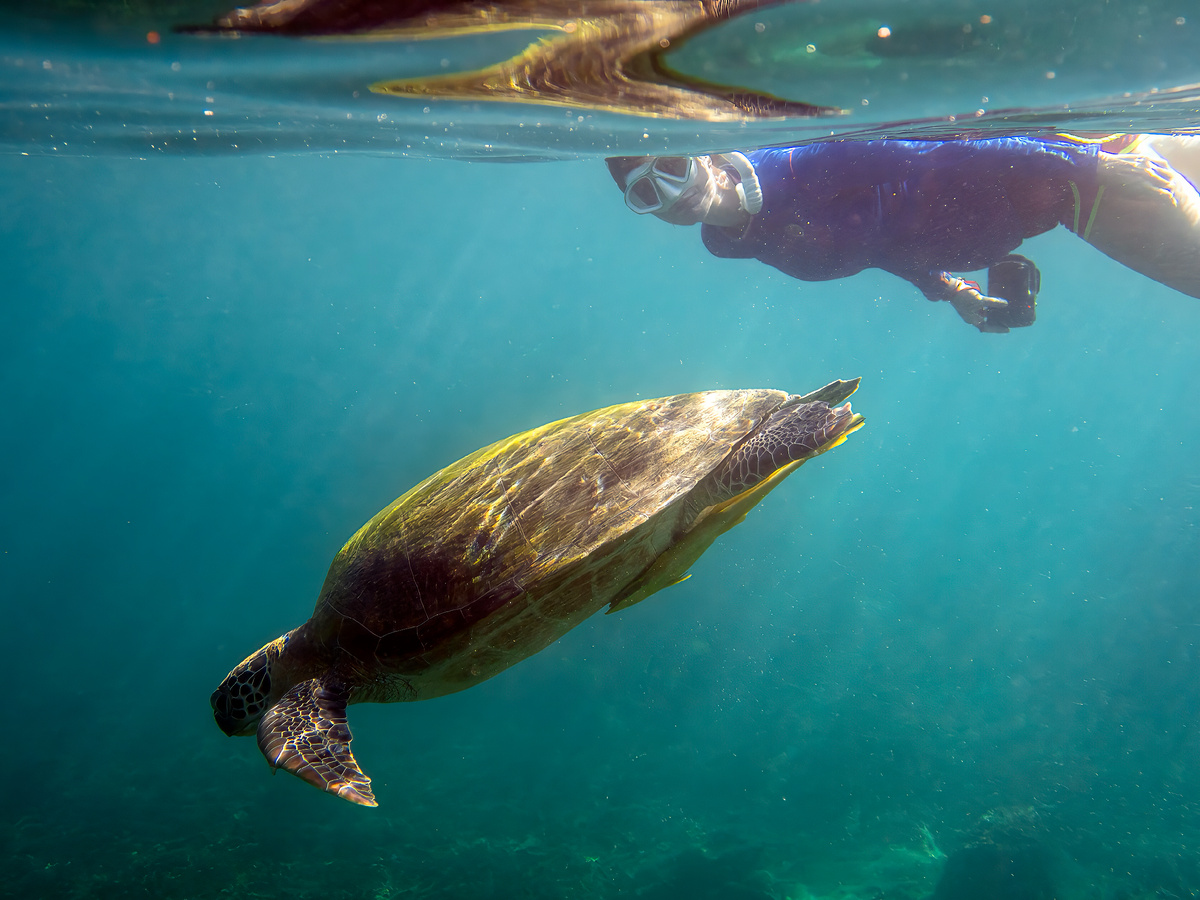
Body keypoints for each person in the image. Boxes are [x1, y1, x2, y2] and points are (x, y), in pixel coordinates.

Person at [606, 136, 1200, 332]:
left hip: (1080, 186)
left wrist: (1093, 166)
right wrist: (949, 290)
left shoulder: (797, 166)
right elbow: (875, 243)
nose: (672, 194)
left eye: (673, 169)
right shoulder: (730, 241)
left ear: (705, 156)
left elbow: (945, 154)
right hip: (1067, 188)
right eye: (644, 192)